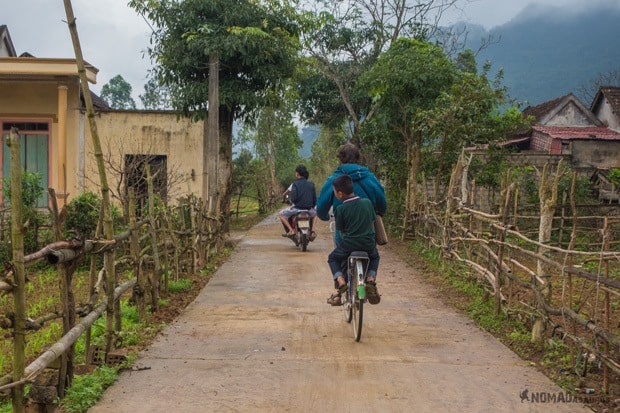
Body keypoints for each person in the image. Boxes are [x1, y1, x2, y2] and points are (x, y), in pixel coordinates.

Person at [316, 143, 387, 245]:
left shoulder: (334, 180)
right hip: (368, 232)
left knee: (339, 255)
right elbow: (382, 205)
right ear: (358, 158)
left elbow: (321, 208)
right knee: (372, 254)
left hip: (344, 235)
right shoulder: (370, 178)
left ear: (340, 159)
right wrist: (378, 213)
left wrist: (326, 217)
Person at [326, 174, 380, 306]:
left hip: (349, 245)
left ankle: (341, 281)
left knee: (332, 258)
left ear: (339, 194)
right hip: (368, 244)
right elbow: (372, 222)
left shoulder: (341, 209)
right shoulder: (367, 203)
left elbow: (341, 232)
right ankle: (371, 279)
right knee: (375, 257)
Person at [278, 165, 317, 237]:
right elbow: (314, 199)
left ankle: (291, 230)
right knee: (315, 214)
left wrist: (291, 202)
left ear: (297, 174)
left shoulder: (295, 184)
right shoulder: (311, 184)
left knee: (281, 214)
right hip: (308, 209)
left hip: (297, 208)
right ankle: (312, 231)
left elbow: (293, 198)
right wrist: (313, 206)